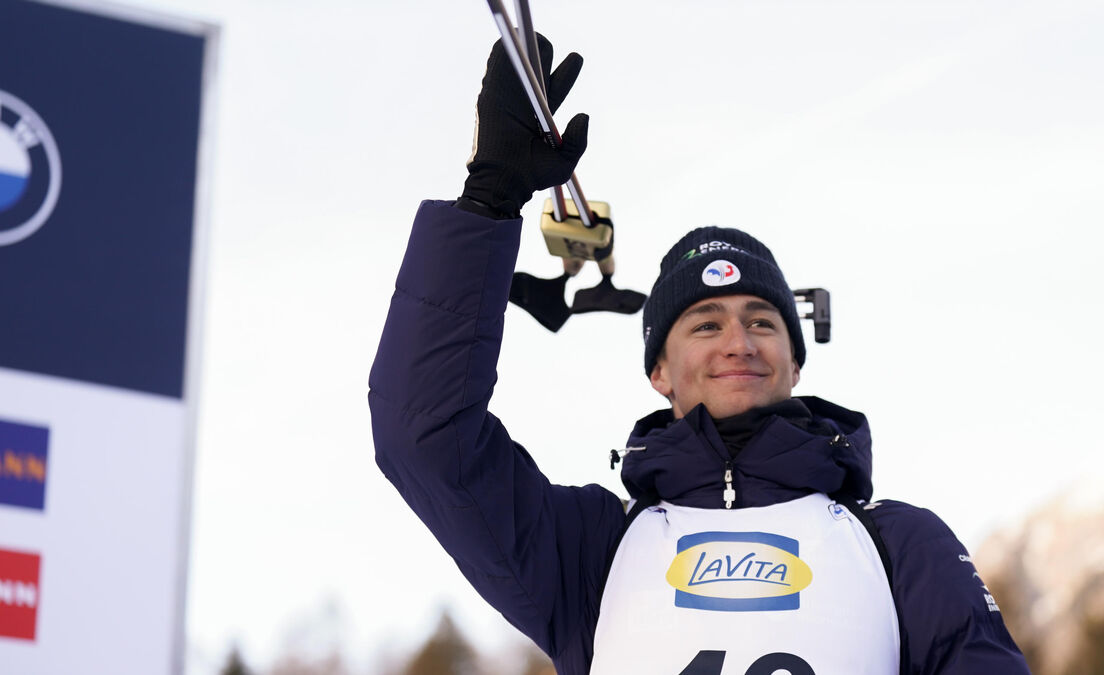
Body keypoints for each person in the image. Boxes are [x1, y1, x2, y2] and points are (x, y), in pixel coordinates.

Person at [369, 35, 1030, 675]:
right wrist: (488, 201)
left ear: (795, 362)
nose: (738, 342)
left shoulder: (898, 545)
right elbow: (425, 437)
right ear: (658, 369)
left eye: (761, 321)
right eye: (706, 324)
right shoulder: (591, 550)